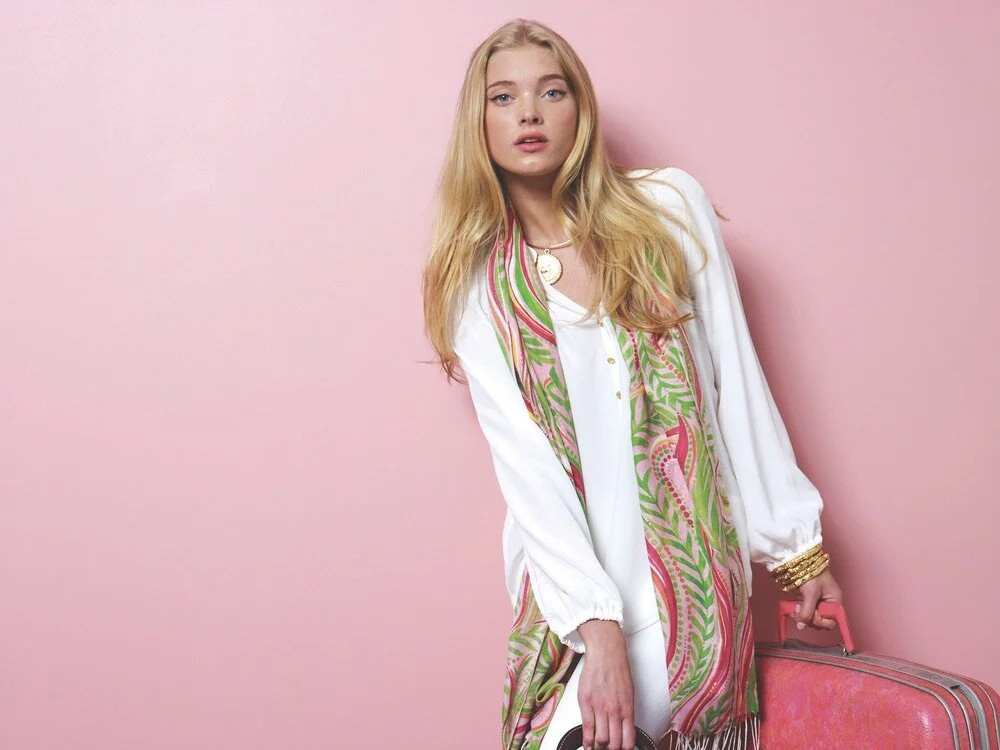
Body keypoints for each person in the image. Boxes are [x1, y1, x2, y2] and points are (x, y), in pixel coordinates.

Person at [421, 18, 844, 750]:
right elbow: (528, 470)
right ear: (477, 124)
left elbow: (737, 384)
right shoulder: (479, 286)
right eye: (503, 97)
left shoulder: (667, 209)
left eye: (552, 92)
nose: (529, 113)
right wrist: (596, 627)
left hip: (694, 579)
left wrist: (798, 549)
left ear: (580, 110)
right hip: (573, 592)